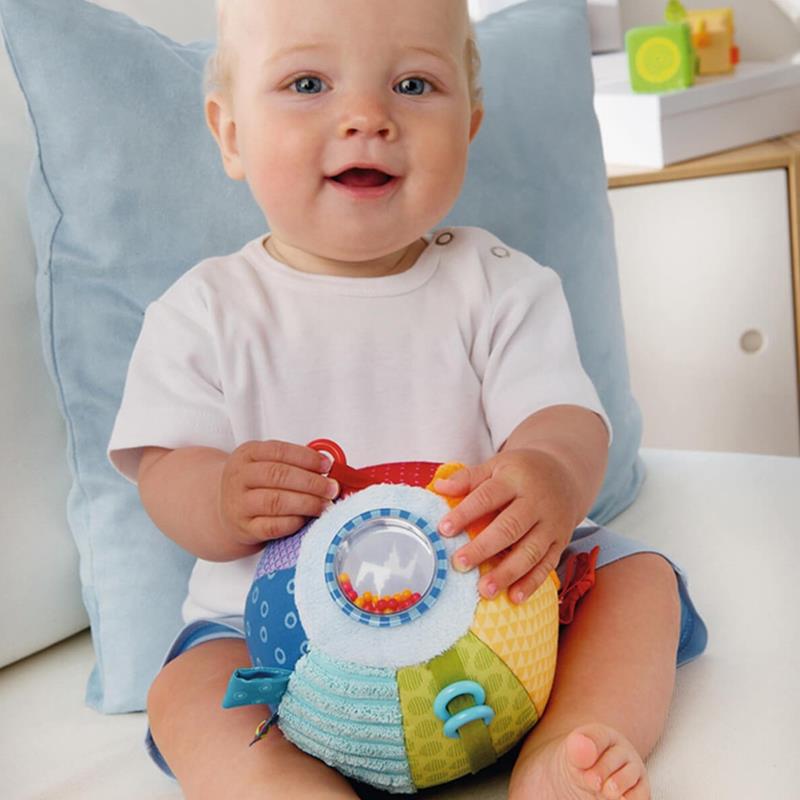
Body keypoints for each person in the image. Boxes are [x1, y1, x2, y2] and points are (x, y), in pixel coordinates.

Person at [108, 1, 705, 798]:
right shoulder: (203, 312)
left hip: (503, 615)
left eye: (415, 83)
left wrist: (549, 476)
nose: (367, 118)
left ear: (470, 123)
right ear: (231, 134)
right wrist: (218, 497)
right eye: (308, 82)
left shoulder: (498, 285)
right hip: (280, 644)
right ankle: (289, 787)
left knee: (638, 581)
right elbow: (163, 468)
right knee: (187, 691)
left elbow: (562, 418)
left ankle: (567, 747)